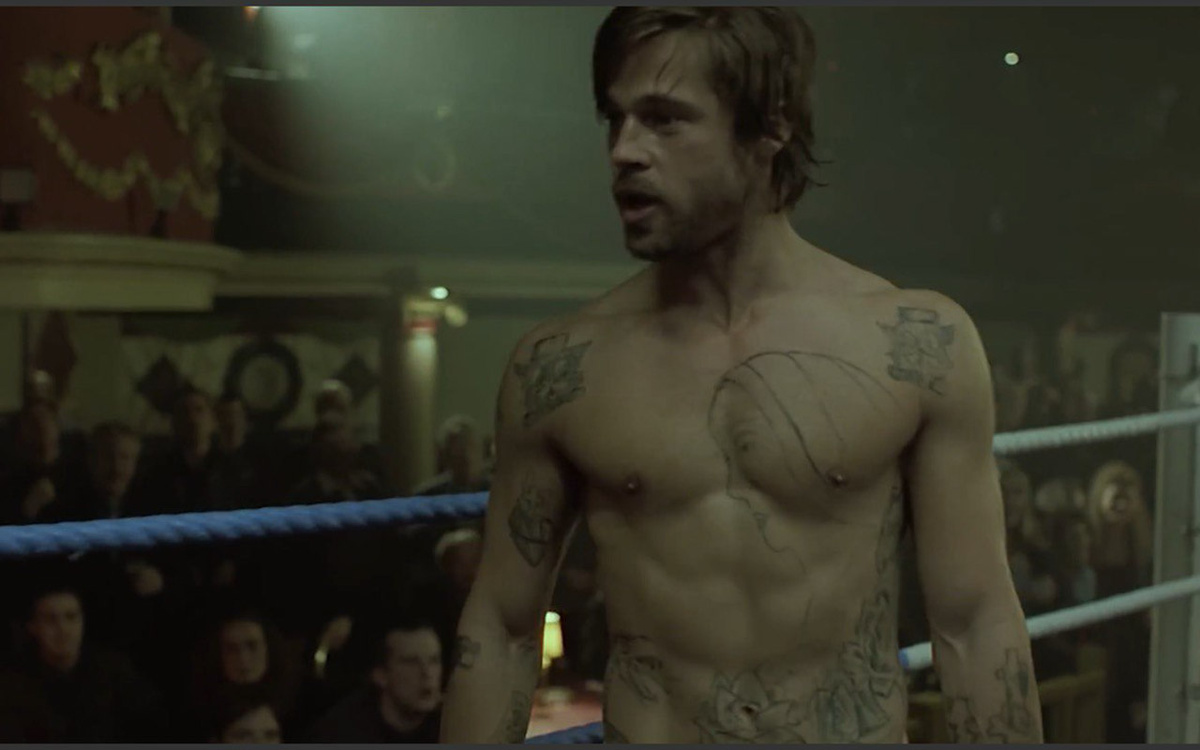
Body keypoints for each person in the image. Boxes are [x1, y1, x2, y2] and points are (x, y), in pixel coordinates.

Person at [441, 7, 1041, 744]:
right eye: (616, 120)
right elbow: (502, 628)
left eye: (664, 120)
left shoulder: (915, 344)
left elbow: (975, 622)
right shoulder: (561, 368)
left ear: (771, 127)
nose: (624, 151)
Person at [306, 617, 444, 742]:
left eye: (434, 660)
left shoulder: (448, 722)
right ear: (380, 675)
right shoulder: (338, 733)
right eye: (411, 662)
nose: (427, 673)